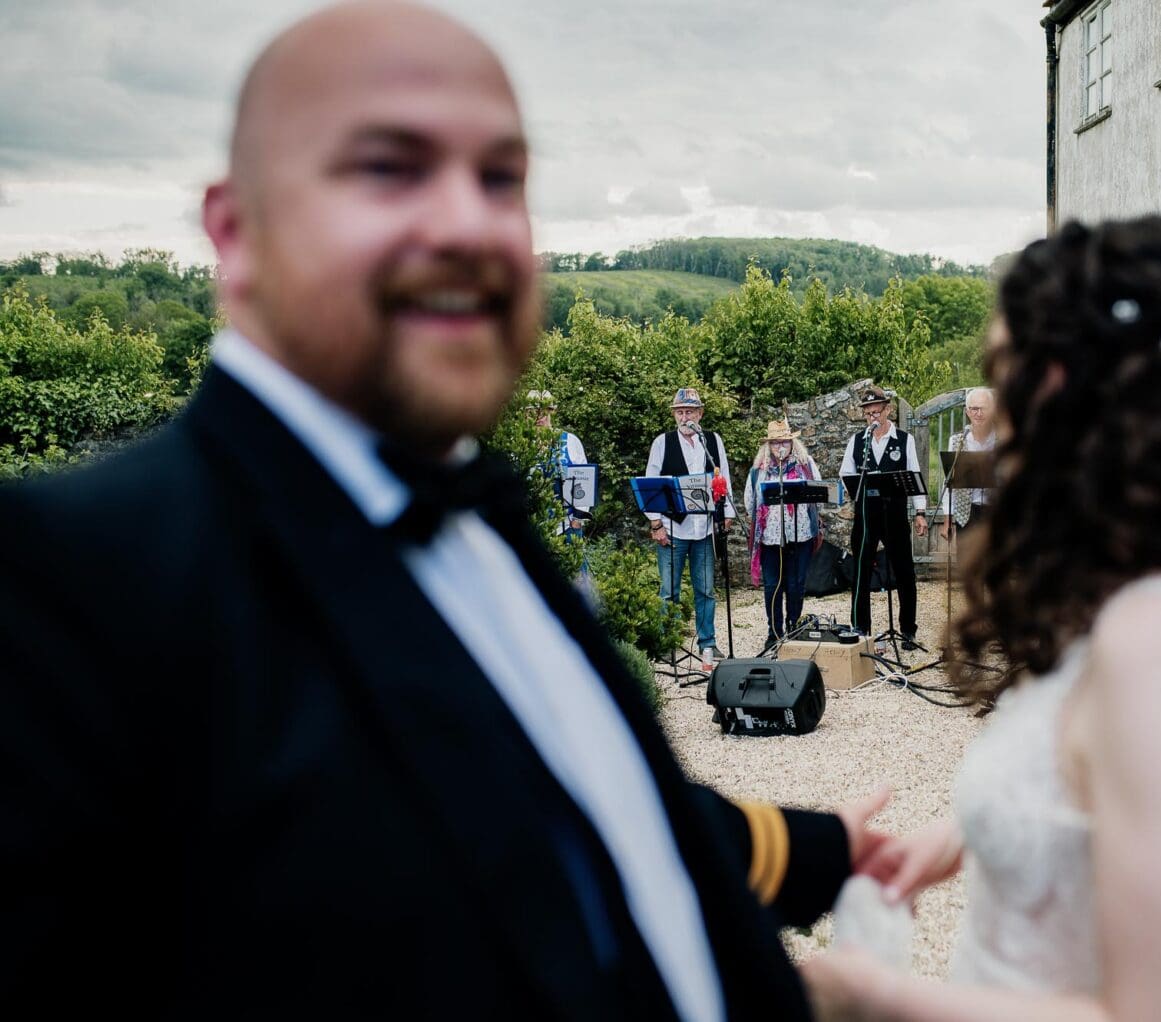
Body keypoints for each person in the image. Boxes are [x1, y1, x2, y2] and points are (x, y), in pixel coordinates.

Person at [0, 5, 884, 1018]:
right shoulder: (55, 587)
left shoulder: (482, 517)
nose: (468, 222)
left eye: (501, 177)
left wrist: (828, 853)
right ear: (234, 231)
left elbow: (570, 797)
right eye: (390, 167)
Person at [800, 217, 1161, 1021]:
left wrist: (872, 995)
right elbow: (1091, 788)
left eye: (1006, 373)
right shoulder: (1145, 591)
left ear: (1063, 390)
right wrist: (960, 835)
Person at [644, 387, 735, 666]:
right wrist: (656, 523)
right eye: (680, 412)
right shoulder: (663, 442)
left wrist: (727, 511)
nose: (685, 417)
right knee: (669, 590)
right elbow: (650, 485)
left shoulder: (713, 440)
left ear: (700, 413)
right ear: (674, 415)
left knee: (706, 588)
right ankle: (666, 643)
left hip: (704, 527)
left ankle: (708, 643)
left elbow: (724, 476)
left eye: (690, 411)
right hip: (673, 527)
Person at [839, 387, 927, 650]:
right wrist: (851, 486)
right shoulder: (857, 440)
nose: (872, 417)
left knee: (903, 571)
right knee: (861, 571)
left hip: (895, 513)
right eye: (868, 413)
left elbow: (914, 474)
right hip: (867, 515)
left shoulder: (904, 439)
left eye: (877, 411)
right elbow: (846, 474)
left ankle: (908, 630)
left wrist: (920, 512)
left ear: (888, 410)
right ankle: (860, 627)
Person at [744, 420, 823, 642]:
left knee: (796, 583)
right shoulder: (758, 471)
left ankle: (794, 627)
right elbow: (750, 502)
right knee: (773, 585)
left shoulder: (805, 464)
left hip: (800, 535)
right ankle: (774, 632)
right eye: (775, 442)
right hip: (770, 538)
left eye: (785, 442)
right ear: (768, 446)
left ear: (792, 443)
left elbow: (818, 495)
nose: (781, 446)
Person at [936, 387, 995, 542]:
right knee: (966, 563)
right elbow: (949, 483)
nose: (979, 413)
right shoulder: (957, 441)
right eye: (974, 409)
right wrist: (947, 520)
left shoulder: (1002, 440)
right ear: (967, 412)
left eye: (984, 408)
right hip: (966, 514)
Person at [527, 389, 587, 535]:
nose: (539, 417)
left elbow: (585, 480)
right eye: (533, 412)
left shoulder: (570, 441)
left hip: (567, 524)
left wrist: (578, 520)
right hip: (531, 525)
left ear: (551, 411)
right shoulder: (519, 445)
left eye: (543, 412)